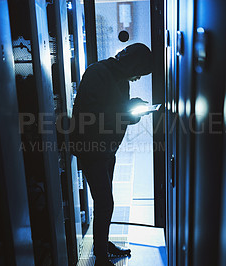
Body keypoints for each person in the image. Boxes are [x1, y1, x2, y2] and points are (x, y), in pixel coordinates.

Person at [69, 43, 153, 266]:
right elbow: (93, 116)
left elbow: (116, 110)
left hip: (105, 150)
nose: (136, 78)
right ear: (131, 63)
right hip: (92, 149)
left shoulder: (118, 78)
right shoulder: (98, 73)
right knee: (105, 202)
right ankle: (101, 257)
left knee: (104, 202)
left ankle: (101, 245)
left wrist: (130, 110)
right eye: (138, 73)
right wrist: (129, 111)